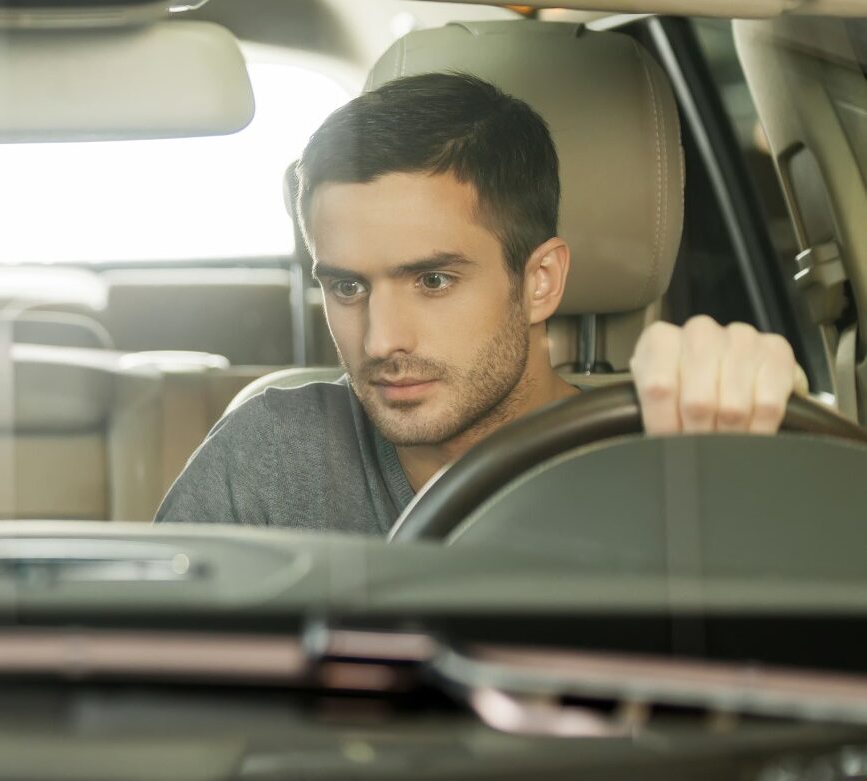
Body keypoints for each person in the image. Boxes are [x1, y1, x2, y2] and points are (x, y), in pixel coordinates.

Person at [157, 73, 805, 532]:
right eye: (347, 286)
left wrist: (775, 449)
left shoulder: (674, 458)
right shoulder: (266, 458)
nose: (382, 341)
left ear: (541, 281)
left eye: (433, 281)